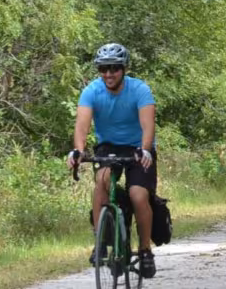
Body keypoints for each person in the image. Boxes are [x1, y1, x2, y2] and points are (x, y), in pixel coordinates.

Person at [64, 43, 159, 278]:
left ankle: (145, 250)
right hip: (108, 147)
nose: (108, 74)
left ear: (123, 69)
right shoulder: (92, 91)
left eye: (114, 68)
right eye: (103, 69)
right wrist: (78, 151)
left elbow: (148, 125)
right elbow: (82, 126)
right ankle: (100, 242)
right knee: (102, 181)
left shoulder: (140, 90)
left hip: (138, 148)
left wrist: (145, 149)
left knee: (138, 195)